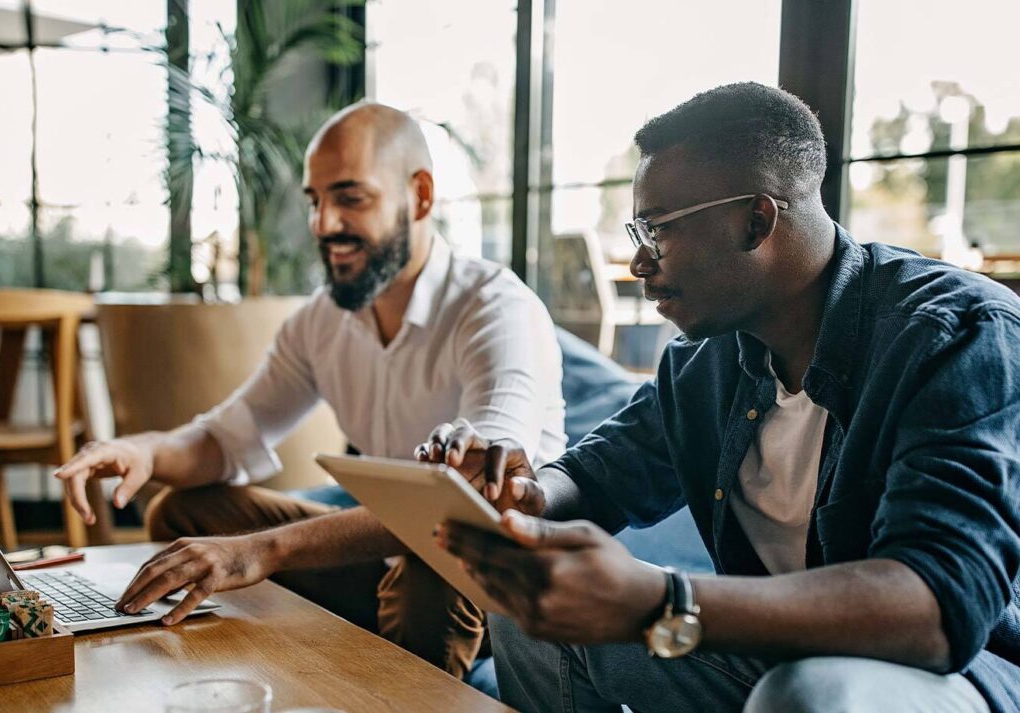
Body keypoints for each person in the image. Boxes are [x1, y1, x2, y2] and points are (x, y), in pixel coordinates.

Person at [419, 83, 1020, 711]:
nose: (638, 261)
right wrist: (526, 493)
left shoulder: (956, 335)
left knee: (811, 692)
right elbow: (598, 477)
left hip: (964, 671)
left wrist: (665, 599)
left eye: (658, 230)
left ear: (756, 221)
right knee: (531, 608)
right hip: (777, 650)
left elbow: (938, 608)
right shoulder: (707, 359)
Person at [54, 102, 566, 679]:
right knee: (186, 511)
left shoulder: (497, 308)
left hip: (495, 576)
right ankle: (318, 652)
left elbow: (475, 496)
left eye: (350, 198)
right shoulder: (322, 320)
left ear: (420, 196)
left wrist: (265, 550)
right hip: (391, 557)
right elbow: (227, 439)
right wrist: (143, 450)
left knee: (438, 551)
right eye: (315, 202)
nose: (324, 224)